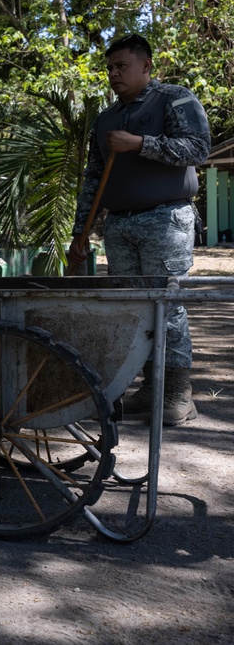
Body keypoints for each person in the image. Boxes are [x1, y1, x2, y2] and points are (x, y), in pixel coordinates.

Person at [68, 34, 210, 426]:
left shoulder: (174, 98)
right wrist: (81, 234)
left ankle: (179, 394)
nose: (114, 74)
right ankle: (151, 388)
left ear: (146, 65)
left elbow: (198, 148)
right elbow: (92, 180)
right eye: (109, 68)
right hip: (119, 224)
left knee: (166, 305)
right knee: (132, 311)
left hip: (165, 218)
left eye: (121, 66)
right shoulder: (106, 119)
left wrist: (139, 143)